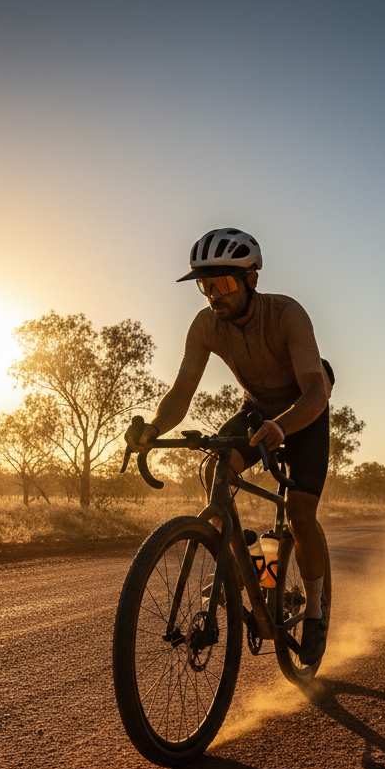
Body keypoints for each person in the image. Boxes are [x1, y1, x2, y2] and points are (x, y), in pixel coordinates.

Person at [129, 227, 332, 665]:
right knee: (213, 471)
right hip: (257, 410)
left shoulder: (286, 314)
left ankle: (315, 610)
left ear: (251, 281)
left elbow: (316, 391)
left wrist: (284, 426)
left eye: (221, 285)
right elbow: (182, 390)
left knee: (298, 513)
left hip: (303, 410)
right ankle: (250, 561)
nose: (212, 296)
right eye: (205, 286)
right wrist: (153, 429)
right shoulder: (206, 325)